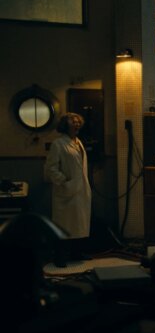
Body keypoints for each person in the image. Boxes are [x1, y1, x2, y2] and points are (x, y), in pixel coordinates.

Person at [43, 112, 92, 267]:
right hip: (67, 190)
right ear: (65, 125)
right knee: (64, 225)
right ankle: (60, 257)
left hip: (81, 190)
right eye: (73, 121)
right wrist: (64, 182)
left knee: (79, 224)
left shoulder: (78, 142)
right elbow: (50, 168)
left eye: (78, 121)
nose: (76, 124)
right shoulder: (58, 144)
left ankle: (76, 253)